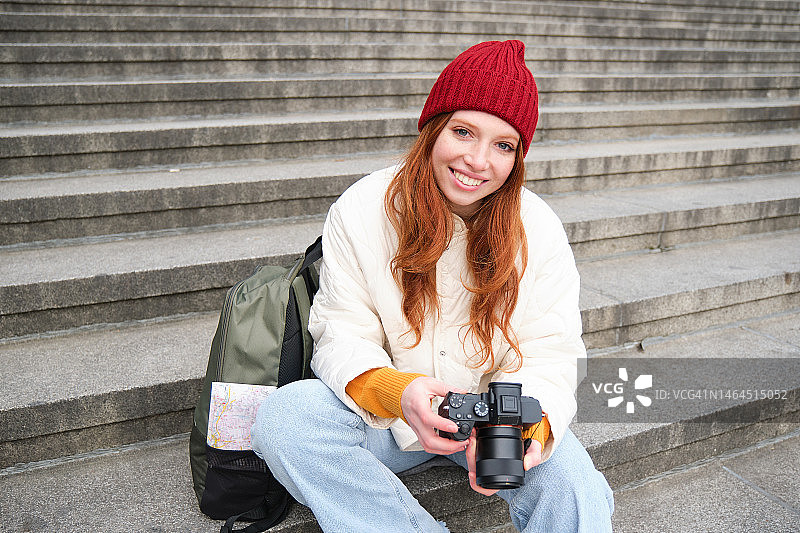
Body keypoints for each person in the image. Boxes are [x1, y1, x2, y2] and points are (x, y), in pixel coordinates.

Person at [251, 40, 614, 532]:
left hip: (492, 425)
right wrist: (398, 392)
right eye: (463, 132)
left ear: (518, 157)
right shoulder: (362, 208)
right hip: (390, 418)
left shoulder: (538, 228)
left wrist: (524, 427)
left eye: (503, 145)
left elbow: (552, 349)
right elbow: (341, 330)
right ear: (433, 128)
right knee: (286, 418)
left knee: (575, 487)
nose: (478, 161)